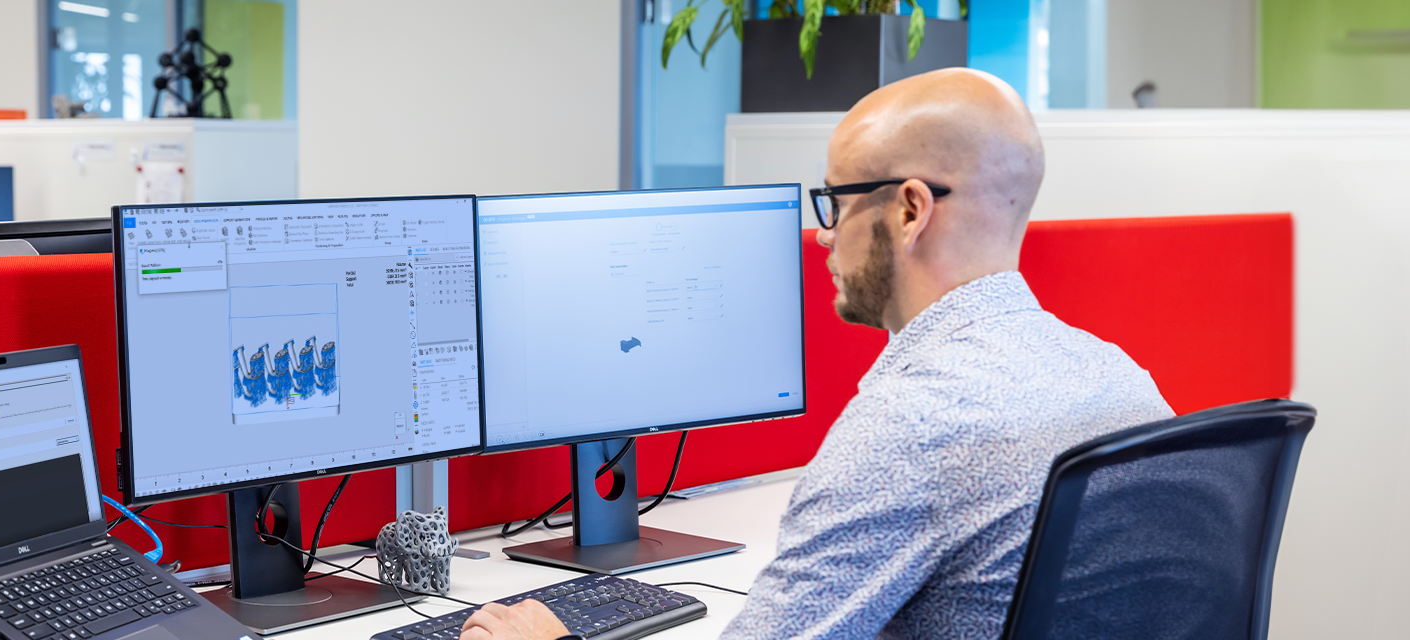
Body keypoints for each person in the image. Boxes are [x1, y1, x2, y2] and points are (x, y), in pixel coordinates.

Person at [458, 68, 1174, 640]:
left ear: (909, 210)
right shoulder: (1120, 378)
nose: (825, 235)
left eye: (835, 201)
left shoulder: (910, 426)